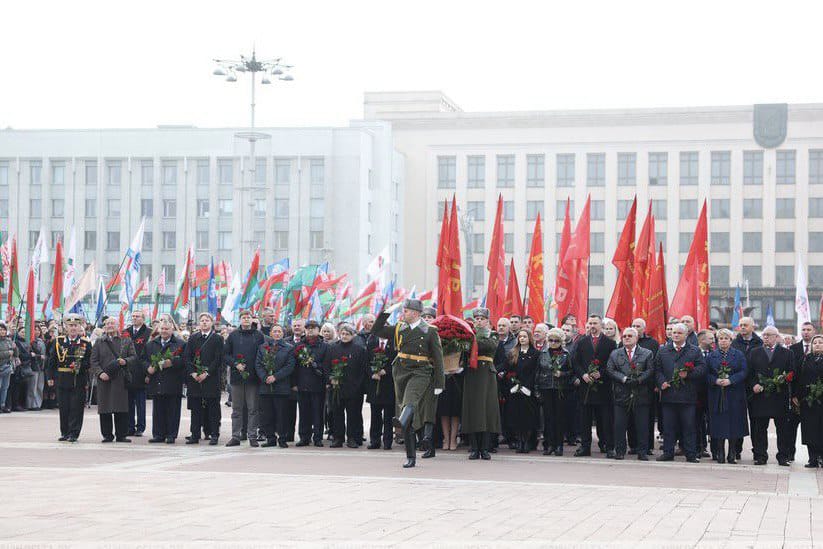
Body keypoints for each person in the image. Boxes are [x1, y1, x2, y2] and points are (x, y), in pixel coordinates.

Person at [371, 299, 445, 468]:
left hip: (420, 371)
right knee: (408, 416)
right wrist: (385, 313)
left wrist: (439, 383)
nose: (402, 313)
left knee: (409, 403)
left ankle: (401, 422)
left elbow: (438, 358)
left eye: (406, 310)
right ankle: (411, 456)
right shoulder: (399, 328)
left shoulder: (429, 331)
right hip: (401, 371)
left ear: (416, 313)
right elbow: (376, 330)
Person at [654, 323, 707, 462]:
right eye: (674, 333)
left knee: (689, 426)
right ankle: (668, 453)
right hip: (669, 395)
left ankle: (691, 454)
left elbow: (702, 368)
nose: (676, 335)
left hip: (687, 396)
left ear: (686, 335)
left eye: (679, 333)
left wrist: (689, 374)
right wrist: (661, 382)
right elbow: (657, 369)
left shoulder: (694, 350)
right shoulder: (663, 350)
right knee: (668, 427)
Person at [747, 325, 795, 465]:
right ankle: (761, 456)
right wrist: (754, 384)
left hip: (779, 396)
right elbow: (749, 373)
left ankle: (783, 456)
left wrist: (783, 379)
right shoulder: (754, 352)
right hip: (760, 397)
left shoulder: (787, 353)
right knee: (760, 428)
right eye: (764, 335)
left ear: (776, 337)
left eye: (769, 335)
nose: (766, 337)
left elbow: (792, 371)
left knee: (783, 429)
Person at [572, 315, 617, 458]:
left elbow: (612, 363)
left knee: (605, 419)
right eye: (590, 323)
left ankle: (608, 446)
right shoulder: (581, 342)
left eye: (595, 323)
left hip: (603, 388)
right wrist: (583, 374)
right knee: (585, 420)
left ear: (601, 325)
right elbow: (576, 362)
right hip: (586, 388)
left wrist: (601, 373)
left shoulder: (610, 343)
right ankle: (585, 447)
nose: (592, 325)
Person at [607, 327, 654, 460]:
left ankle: (642, 452)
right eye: (624, 336)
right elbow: (610, 369)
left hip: (640, 393)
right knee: (619, 425)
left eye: (630, 336)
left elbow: (650, 370)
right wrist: (624, 379)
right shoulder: (615, 353)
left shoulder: (647, 353)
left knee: (642, 425)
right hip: (621, 393)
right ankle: (620, 451)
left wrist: (639, 380)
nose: (626, 338)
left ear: (636, 338)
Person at [461, 308, 502, 460]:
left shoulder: (492, 334)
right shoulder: (469, 335)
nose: (478, 321)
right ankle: (474, 448)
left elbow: (489, 346)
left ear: (487, 321)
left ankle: (485, 448)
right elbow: (464, 350)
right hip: (472, 373)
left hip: (486, 374)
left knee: (486, 410)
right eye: (476, 318)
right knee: (472, 410)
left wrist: (472, 337)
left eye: (482, 319)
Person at [45, 314, 92, 442]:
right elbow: (51, 361)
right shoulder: (58, 342)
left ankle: (74, 433)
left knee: (76, 407)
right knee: (64, 407)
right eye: (70, 325)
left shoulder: (85, 343)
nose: (73, 328)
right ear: (66, 327)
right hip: (62, 378)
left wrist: (80, 365)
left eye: (75, 325)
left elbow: (89, 361)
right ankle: (64, 432)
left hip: (78, 379)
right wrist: (50, 377)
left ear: (79, 327)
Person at [91, 317, 137, 443]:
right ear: (104, 326)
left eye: (112, 323)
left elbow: (134, 357)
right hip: (104, 379)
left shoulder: (126, 340)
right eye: (107, 324)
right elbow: (93, 361)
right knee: (105, 408)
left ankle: (121, 435)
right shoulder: (99, 342)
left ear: (118, 326)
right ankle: (107, 435)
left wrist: (125, 361)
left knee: (121, 407)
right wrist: (100, 373)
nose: (110, 325)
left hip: (120, 379)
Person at [706, 328, 748, 464]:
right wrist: (715, 380)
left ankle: (732, 453)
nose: (723, 341)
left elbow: (744, 371)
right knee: (719, 424)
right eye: (721, 339)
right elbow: (706, 373)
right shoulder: (711, 356)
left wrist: (731, 380)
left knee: (734, 423)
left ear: (731, 340)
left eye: (726, 339)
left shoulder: (738, 355)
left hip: (734, 394)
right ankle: (720, 452)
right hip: (717, 394)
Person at [224, 310, 265, 447]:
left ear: (252, 320)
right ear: (240, 320)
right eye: (243, 317)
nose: (246, 319)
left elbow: (263, 354)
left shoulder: (258, 335)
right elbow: (226, 354)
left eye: (248, 317)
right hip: (237, 377)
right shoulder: (233, 335)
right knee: (237, 409)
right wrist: (235, 364)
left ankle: (252, 436)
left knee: (253, 409)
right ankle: (235, 436)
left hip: (254, 377)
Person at [184, 312, 224, 445]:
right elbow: (187, 357)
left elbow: (218, 359)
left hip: (211, 379)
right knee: (195, 408)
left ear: (211, 323)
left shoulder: (217, 339)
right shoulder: (193, 338)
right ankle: (195, 434)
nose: (204, 322)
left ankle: (214, 434)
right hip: (195, 379)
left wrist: (207, 373)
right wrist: (193, 373)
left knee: (213, 408)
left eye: (207, 320)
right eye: (202, 320)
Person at [144, 315, 186, 443]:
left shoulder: (180, 344)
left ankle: (171, 435)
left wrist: (172, 362)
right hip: (157, 381)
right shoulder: (151, 344)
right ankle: (158, 434)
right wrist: (148, 368)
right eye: (162, 329)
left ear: (172, 329)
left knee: (173, 410)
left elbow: (185, 361)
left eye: (167, 329)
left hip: (173, 381)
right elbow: (143, 360)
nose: (164, 331)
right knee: (158, 409)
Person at [327, 323, 368, 448]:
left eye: (347, 334)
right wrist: (331, 379)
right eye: (343, 333)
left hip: (354, 389)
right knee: (337, 414)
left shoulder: (359, 350)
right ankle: (338, 438)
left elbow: (363, 369)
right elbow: (326, 366)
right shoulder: (332, 348)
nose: (344, 336)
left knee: (353, 415)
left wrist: (358, 386)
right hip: (336, 388)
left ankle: (352, 438)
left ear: (353, 335)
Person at [255, 331, 296, 447]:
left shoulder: (289, 348)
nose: (277, 333)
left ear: (282, 334)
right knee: (267, 414)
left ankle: (282, 438)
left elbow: (289, 366)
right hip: (266, 386)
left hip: (281, 387)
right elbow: (258, 364)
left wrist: (275, 377)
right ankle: (270, 438)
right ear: (271, 333)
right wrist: (265, 377)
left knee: (282, 414)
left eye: (279, 331)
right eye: (274, 331)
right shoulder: (262, 347)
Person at [534, 326, 570, 456]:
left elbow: (572, 372)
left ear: (561, 341)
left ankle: (559, 445)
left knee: (559, 418)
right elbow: (537, 372)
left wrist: (562, 374)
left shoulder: (566, 354)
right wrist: (537, 389)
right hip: (546, 388)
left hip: (560, 389)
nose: (553, 343)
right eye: (551, 340)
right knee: (548, 418)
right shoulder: (542, 353)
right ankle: (549, 444)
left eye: (556, 340)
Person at [294, 320, 329, 447]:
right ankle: (304, 437)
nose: (310, 330)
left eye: (313, 328)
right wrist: (294, 383)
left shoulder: (324, 346)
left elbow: (327, 365)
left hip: (318, 384)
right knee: (304, 413)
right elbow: (294, 366)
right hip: (302, 384)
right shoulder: (299, 345)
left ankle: (318, 437)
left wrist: (326, 381)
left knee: (318, 413)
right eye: (308, 328)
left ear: (318, 330)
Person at [505, 329, 539, 453]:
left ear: (529, 338)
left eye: (525, 336)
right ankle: (519, 441)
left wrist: (527, 386)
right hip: (515, 389)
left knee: (528, 417)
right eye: (520, 337)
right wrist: (513, 383)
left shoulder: (535, 353)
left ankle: (527, 441)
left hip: (528, 390)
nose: (522, 339)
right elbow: (509, 369)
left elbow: (535, 372)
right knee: (517, 416)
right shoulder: (513, 352)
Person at [788, 321, 816, 461]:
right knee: (791, 426)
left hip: (813, 397)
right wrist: (793, 395)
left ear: (814, 331)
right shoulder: (793, 349)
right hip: (796, 396)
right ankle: (789, 454)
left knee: (812, 427)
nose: (806, 332)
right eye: (804, 329)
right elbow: (791, 373)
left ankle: (814, 457)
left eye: (808, 329)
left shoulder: (818, 349)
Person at [795, 335, 823, 467]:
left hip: (821, 401)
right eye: (815, 342)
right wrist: (796, 395)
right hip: (808, 401)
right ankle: (812, 458)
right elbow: (799, 378)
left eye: (820, 342)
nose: (817, 344)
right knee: (810, 430)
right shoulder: (805, 359)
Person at [123, 310, 151, 437]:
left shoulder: (148, 332)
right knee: (128, 402)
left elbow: (150, 353)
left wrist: (148, 374)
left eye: (137, 316)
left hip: (141, 371)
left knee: (140, 403)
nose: (134, 318)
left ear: (143, 318)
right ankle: (129, 426)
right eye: (133, 316)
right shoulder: (126, 332)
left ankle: (140, 427)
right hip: (128, 370)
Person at [366, 333, 396, 450]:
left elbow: (397, 362)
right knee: (375, 415)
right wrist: (372, 373)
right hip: (375, 383)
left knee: (388, 416)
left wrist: (387, 371)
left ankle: (387, 441)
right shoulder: (371, 343)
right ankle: (375, 440)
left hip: (389, 385)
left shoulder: (394, 343)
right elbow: (366, 361)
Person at [26, 325, 46, 410]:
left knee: (39, 387)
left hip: (42, 366)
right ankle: (31, 404)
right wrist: (39, 356)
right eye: (35, 330)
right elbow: (31, 354)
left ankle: (38, 404)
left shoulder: (42, 341)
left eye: (38, 330)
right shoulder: (30, 342)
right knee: (32, 387)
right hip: (34, 366)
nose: (37, 332)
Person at [0, 321, 18, 413]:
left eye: (3, 330)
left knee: (5, 387)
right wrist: (7, 353)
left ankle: (2, 405)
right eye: (0, 330)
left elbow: (16, 354)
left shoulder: (8, 341)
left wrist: (15, 348)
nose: (2, 331)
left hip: (7, 367)